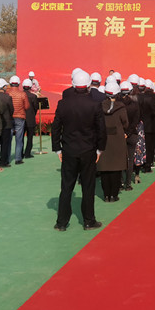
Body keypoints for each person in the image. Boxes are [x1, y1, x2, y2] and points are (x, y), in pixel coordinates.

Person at [51, 70, 106, 231]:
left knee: (66, 187)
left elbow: (56, 128)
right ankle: (89, 221)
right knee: (88, 187)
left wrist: (57, 149)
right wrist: (100, 150)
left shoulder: (63, 104)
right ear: (89, 85)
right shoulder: (94, 105)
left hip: (69, 150)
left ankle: (61, 222)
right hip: (88, 151)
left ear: (73, 85)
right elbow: (101, 130)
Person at [97, 83, 128, 203]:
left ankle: (106, 195)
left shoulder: (100, 106)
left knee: (104, 168)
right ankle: (114, 195)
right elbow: (125, 123)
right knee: (116, 168)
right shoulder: (121, 107)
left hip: (103, 139)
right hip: (117, 139)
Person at [6, 76, 30, 165]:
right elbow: (27, 106)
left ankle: (7, 158)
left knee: (8, 139)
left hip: (9, 118)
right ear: (19, 84)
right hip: (20, 117)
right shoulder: (22, 94)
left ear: (10, 84)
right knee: (19, 139)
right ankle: (18, 158)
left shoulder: (7, 94)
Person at [0, 79, 14, 167]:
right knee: (5, 143)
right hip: (6, 123)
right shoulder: (7, 97)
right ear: (3, 87)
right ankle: (4, 161)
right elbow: (11, 110)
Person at [22, 78, 39, 159]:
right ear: (30, 87)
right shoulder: (33, 96)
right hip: (30, 119)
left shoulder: (20, 95)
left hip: (21, 118)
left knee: (20, 137)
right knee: (30, 137)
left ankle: (20, 152)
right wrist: (32, 114)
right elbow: (36, 108)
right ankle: (27, 153)